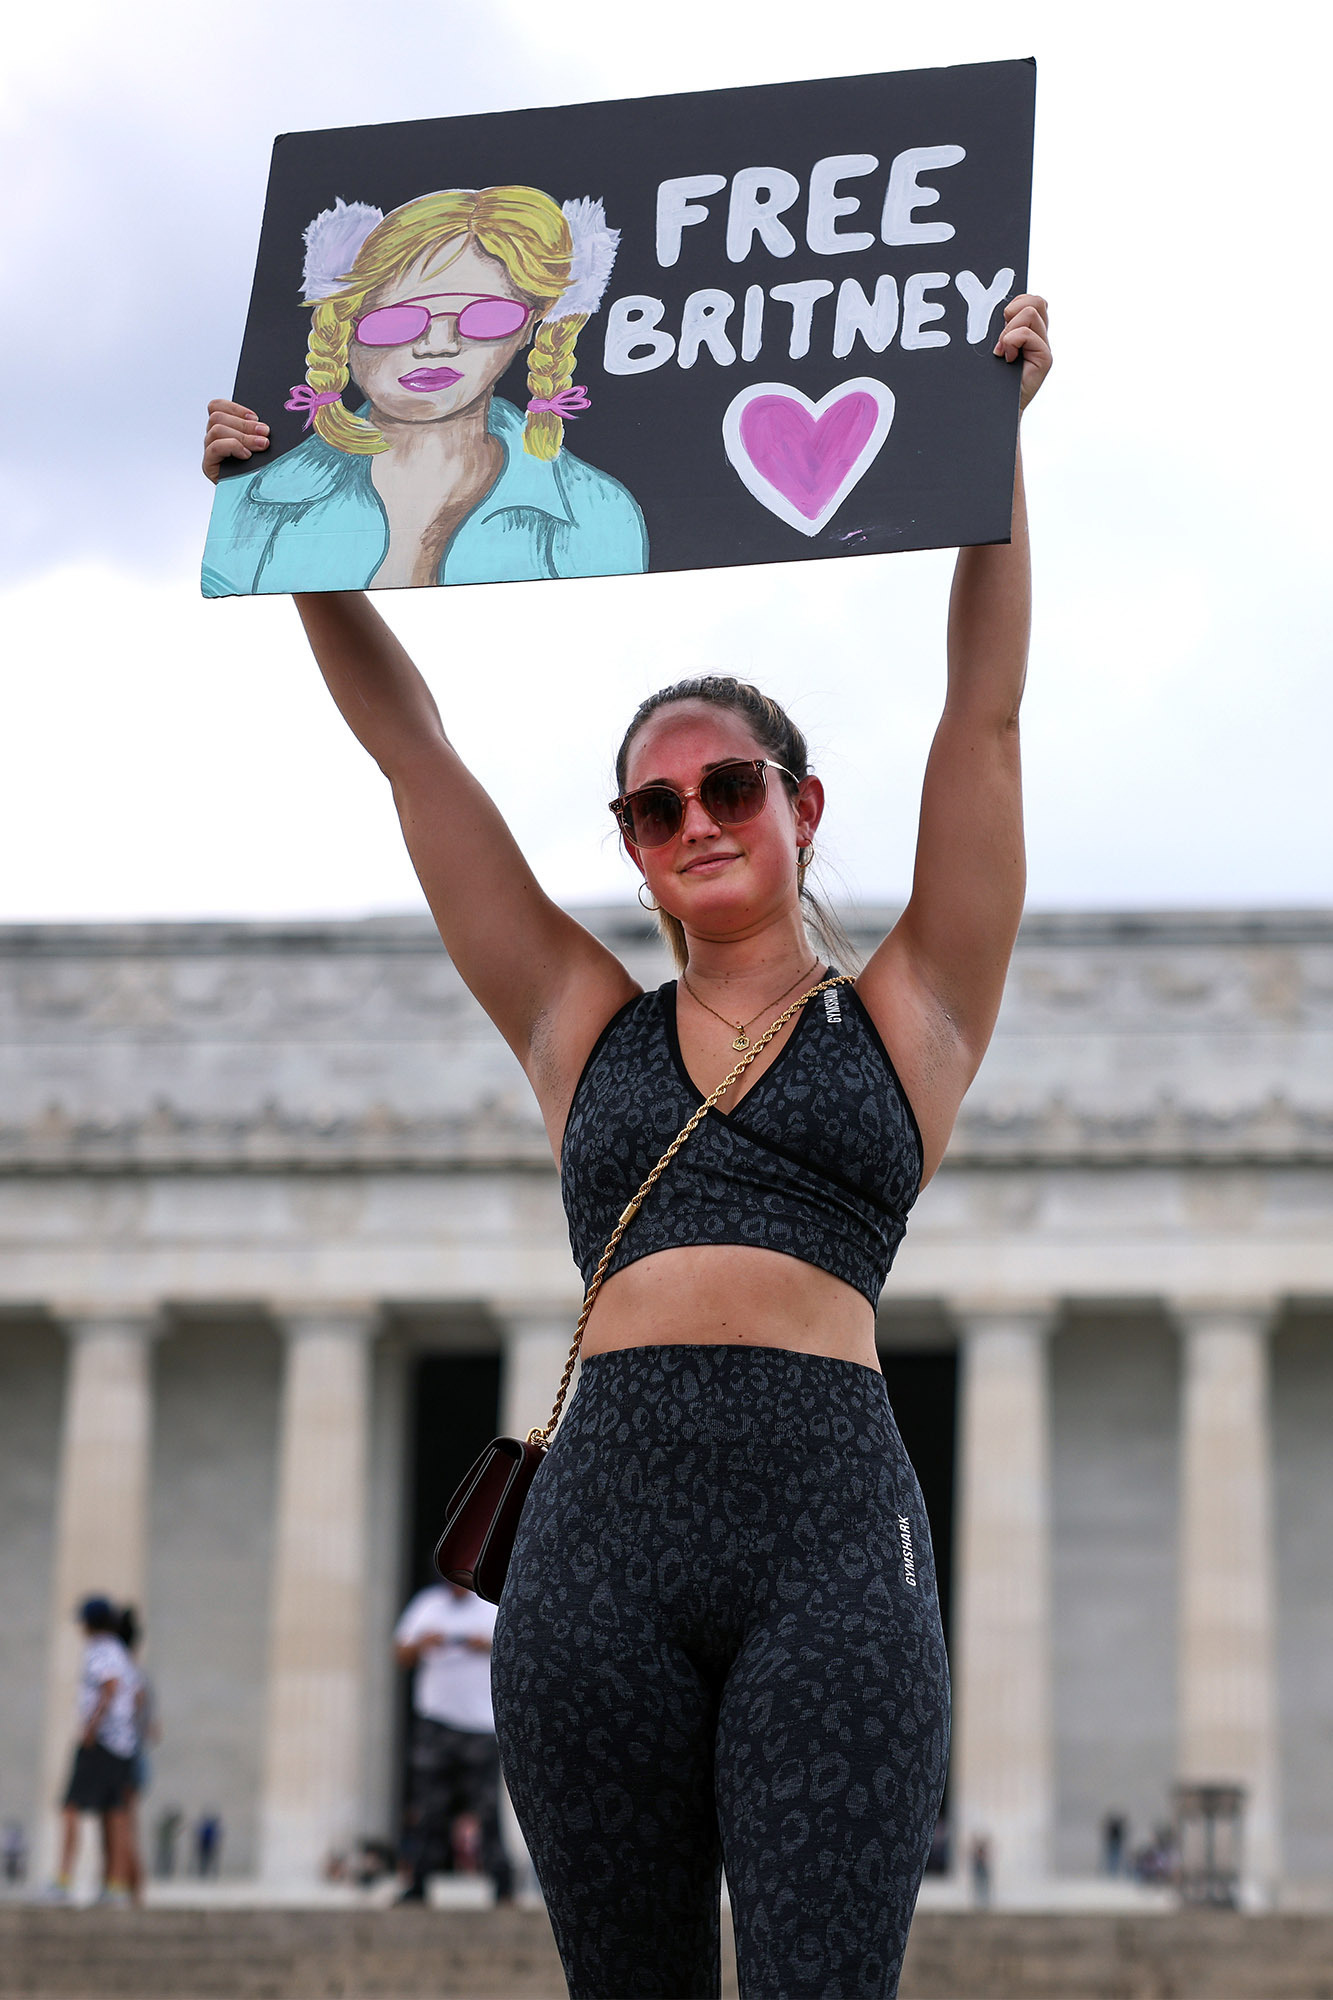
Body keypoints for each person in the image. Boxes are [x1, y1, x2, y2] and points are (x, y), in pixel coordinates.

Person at [202, 288, 1051, 1998]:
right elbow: (412, 757)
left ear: (797, 805)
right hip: (599, 1550)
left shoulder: (907, 1015)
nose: (691, 822)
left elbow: (981, 719)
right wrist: (287, 530)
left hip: (829, 1535)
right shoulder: (577, 1023)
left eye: (726, 786)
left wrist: (994, 448)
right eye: (653, 808)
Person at [202, 187, 647, 596]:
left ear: (531, 327)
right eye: (396, 319)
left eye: (487, 316)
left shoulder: (596, 511)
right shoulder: (257, 502)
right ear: (343, 329)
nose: (439, 344)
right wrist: (230, 495)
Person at [393, 1578, 514, 1906]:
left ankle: (503, 1887)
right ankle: (417, 1884)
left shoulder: (491, 1605)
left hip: (480, 1724)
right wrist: (423, 1643)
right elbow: (400, 1653)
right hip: (437, 1722)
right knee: (428, 1806)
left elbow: (516, 1650)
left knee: (488, 1809)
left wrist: (484, 1645)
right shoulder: (428, 1605)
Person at [44, 1597, 136, 1905]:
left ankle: (62, 1880)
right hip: (122, 1743)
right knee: (115, 1813)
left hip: (102, 1742)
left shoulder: (101, 1649)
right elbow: (134, 1695)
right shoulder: (123, 1652)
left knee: (71, 1807)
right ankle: (115, 1886)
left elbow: (109, 1687)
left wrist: (91, 1728)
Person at [110, 1607, 156, 1905]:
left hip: (123, 1758)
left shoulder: (124, 1676)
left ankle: (131, 1891)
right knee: (128, 1823)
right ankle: (133, 1891)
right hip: (137, 1756)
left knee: (122, 1824)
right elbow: (154, 1729)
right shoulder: (141, 1676)